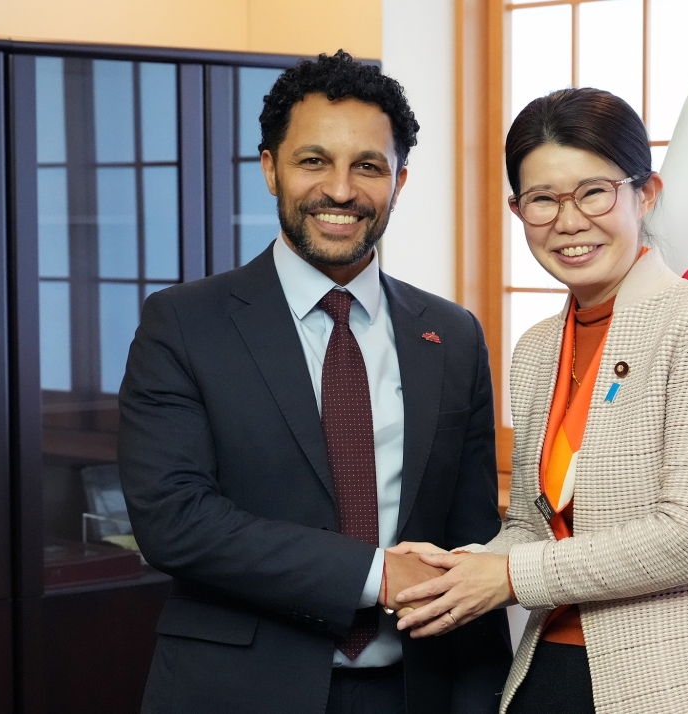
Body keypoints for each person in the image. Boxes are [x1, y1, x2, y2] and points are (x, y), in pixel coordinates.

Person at [118, 50, 511, 714]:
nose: (341, 190)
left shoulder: (452, 335)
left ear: (399, 181)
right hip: (237, 692)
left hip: (414, 692)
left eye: (368, 167)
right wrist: (377, 574)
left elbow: (471, 542)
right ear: (270, 168)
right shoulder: (183, 323)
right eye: (313, 161)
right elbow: (174, 520)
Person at [390, 87, 688, 714]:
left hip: (677, 677)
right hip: (547, 669)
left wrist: (508, 577)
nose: (569, 222)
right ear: (518, 210)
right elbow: (531, 525)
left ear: (645, 194)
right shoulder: (538, 348)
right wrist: (459, 568)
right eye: (542, 199)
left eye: (593, 192)